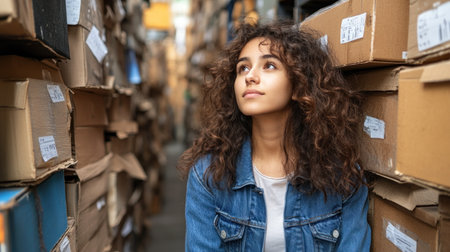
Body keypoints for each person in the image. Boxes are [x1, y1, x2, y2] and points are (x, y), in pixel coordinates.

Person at [177, 20, 371, 251]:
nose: (250, 76)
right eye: (243, 68)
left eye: (269, 65)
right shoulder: (208, 174)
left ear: (299, 86)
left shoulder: (342, 177)